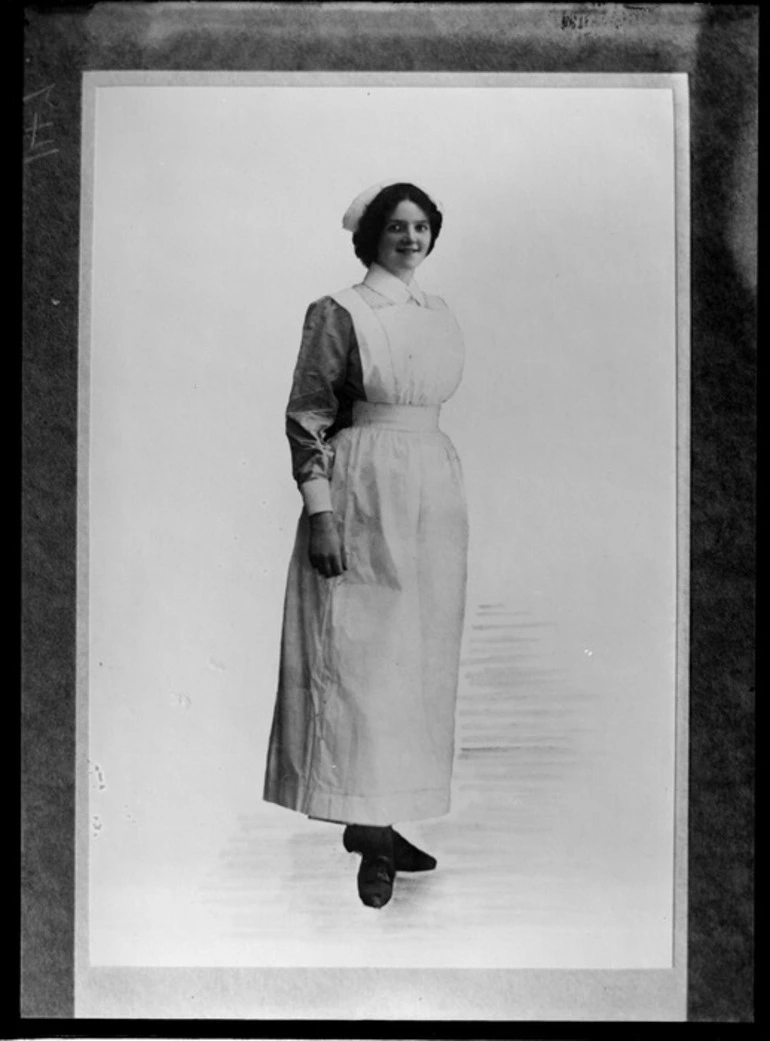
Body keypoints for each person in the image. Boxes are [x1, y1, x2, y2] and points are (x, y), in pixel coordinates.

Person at [263, 180, 468, 909]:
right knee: (365, 659)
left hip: (431, 496)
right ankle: (371, 835)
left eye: (420, 227)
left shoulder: (437, 313)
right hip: (363, 494)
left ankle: (384, 814)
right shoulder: (340, 311)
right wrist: (320, 510)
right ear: (371, 235)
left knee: (417, 661)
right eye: (396, 226)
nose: (410, 238)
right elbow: (309, 411)